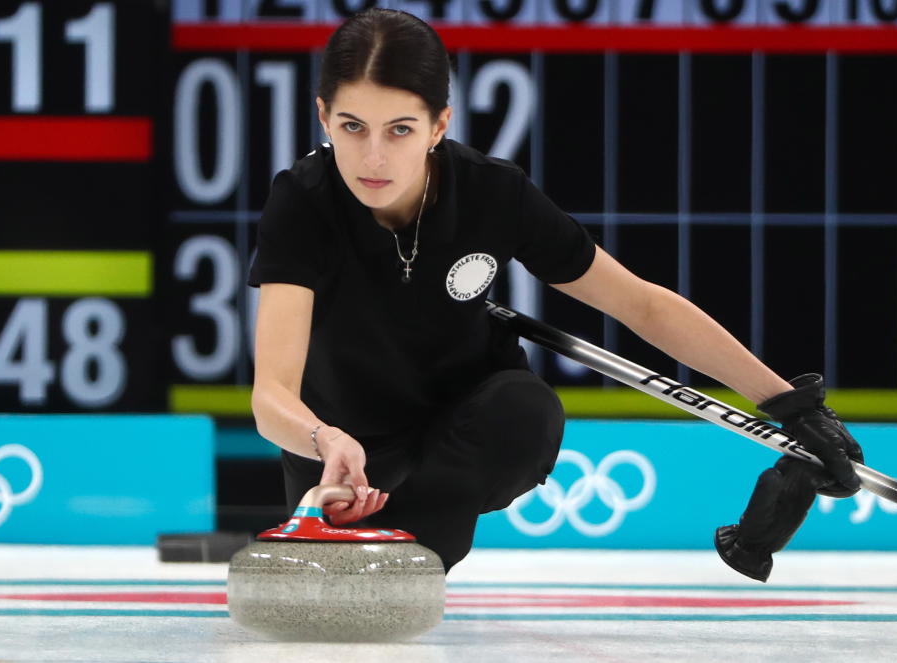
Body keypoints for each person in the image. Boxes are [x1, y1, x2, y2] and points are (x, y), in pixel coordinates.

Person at [248, 8, 863, 579]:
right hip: (336, 457)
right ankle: (367, 548)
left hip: (463, 437)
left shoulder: (493, 194)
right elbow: (271, 395)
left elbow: (639, 302)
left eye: (400, 129)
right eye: (353, 127)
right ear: (324, 116)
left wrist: (789, 404)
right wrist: (324, 439)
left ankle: (402, 565)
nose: (373, 156)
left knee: (524, 409)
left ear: (440, 124)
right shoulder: (303, 202)